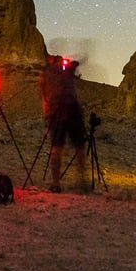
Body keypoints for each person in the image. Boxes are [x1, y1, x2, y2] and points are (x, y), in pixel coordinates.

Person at [40, 54, 88, 192]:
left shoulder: (46, 72)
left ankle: (56, 183)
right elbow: (77, 63)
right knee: (78, 146)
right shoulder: (62, 70)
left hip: (58, 110)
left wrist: (46, 109)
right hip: (69, 109)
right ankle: (81, 180)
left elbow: (43, 92)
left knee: (58, 146)